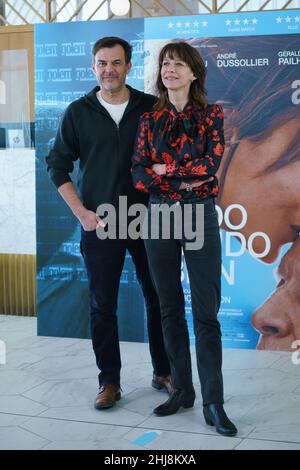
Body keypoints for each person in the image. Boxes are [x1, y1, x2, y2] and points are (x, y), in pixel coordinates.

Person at [45, 36, 172, 410]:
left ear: (129, 66)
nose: (108, 70)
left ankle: (163, 371)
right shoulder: (78, 111)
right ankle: (109, 381)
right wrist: (82, 214)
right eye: (101, 63)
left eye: (115, 63)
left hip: (148, 221)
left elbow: (170, 160)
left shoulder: (151, 107)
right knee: (103, 305)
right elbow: (57, 166)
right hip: (101, 223)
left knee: (158, 299)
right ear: (93, 66)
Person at [132, 41, 237, 436]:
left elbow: (210, 166)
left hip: (199, 214)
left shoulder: (211, 114)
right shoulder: (148, 120)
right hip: (158, 214)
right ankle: (182, 391)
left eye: (177, 64)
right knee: (168, 307)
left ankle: (214, 402)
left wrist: (166, 168)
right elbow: (140, 174)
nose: (169, 70)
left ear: (194, 73)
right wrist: (176, 174)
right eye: (164, 64)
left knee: (206, 313)